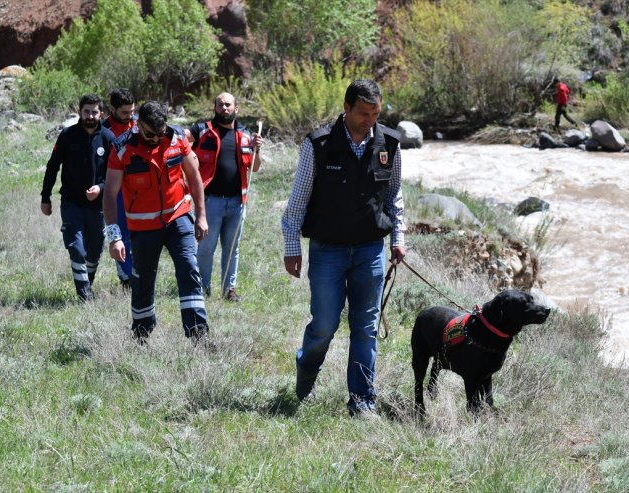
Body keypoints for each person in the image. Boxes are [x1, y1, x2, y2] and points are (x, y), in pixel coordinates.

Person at [281, 79, 406, 416]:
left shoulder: (390, 144)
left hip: (370, 250)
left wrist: (398, 238)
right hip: (328, 250)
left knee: (365, 328)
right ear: (347, 107)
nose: (370, 120)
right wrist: (292, 246)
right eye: (364, 113)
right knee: (324, 324)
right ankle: (307, 368)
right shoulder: (318, 144)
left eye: (376, 113)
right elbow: (298, 201)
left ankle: (362, 401)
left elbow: (394, 195)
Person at [103, 101, 210, 344]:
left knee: (189, 268)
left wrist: (201, 216)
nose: (156, 139)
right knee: (142, 279)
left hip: (178, 217)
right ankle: (141, 333)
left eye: (160, 134)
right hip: (143, 228)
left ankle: (197, 334)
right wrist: (114, 236)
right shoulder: (121, 149)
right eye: (150, 134)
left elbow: (194, 177)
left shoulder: (177, 138)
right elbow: (110, 194)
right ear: (138, 124)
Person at [185, 92, 262, 302]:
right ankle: (202, 288)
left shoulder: (244, 135)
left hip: (237, 202)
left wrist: (258, 150)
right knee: (207, 247)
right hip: (211, 201)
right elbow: (181, 138)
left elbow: (254, 167)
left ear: (236, 109)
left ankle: (229, 290)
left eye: (228, 105)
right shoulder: (202, 130)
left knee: (232, 248)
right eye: (220, 105)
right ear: (215, 108)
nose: (224, 108)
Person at [41, 93, 115, 301]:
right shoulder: (67, 135)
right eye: (86, 111)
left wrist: (100, 188)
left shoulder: (108, 139)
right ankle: (84, 295)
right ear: (79, 112)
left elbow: (116, 173)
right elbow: (52, 167)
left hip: (98, 205)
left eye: (94, 112)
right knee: (75, 247)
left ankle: (87, 282)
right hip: (71, 202)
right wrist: (45, 197)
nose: (90, 116)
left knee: (94, 250)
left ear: (101, 113)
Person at [102, 88, 137, 290]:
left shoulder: (140, 124)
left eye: (132, 111)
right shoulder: (103, 130)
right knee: (120, 234)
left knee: (139, 234)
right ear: (112, 109)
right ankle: (127, 279)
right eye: (124, 112)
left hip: (140, 189)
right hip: (115, 192)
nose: (129, 116)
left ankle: (138, 274)